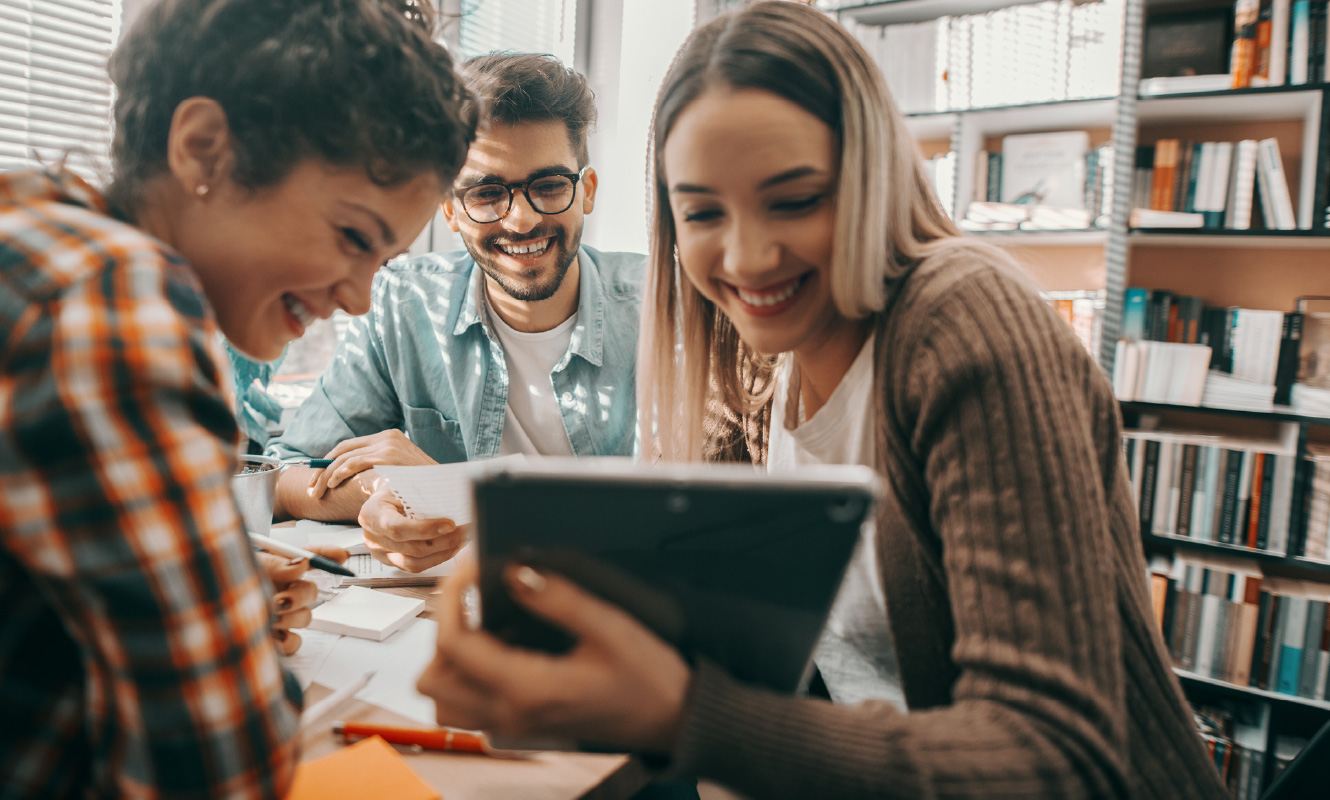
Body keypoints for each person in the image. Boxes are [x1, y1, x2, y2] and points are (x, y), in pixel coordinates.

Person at [414, 3, 1230, 798]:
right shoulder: (747, 357)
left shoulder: (962, 318)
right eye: (702, 211)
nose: (748, 255)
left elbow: (1053, 758)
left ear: (870, 178)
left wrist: (684, 714)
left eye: (796, 199)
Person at [0, 0, 474, 797]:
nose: (360, 298)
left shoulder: (34, 226)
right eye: (354, 237)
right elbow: (224, 767)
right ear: (204, 148)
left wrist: (200, 580)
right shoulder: (115, 295)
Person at [269, 53, 643, 574]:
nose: (521, 218)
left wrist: (454, 493)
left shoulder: (660, 311)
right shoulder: (402, 303)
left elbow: (676, 514)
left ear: (588, 192)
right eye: (488, 193)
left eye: (550, 186)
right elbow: (288, 473)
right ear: (450, 209)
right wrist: (381, 493)